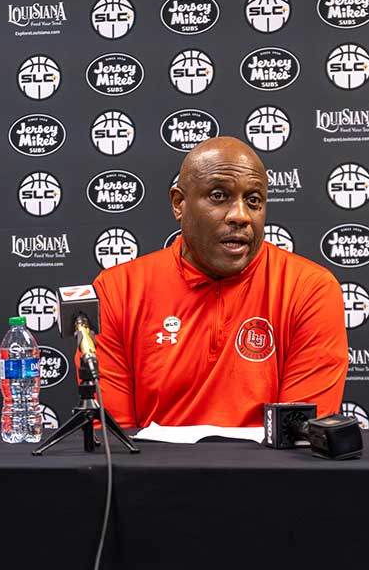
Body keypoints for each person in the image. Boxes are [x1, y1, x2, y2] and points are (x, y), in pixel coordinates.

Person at [91, 136, 348, 428]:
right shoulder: (117, 290)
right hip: (151, 474)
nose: (241, 216)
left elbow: (300, 435)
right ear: (179, 203)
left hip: (269, 474)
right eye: (218, 196)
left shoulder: (309, 289)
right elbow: (113, 440)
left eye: (254, 201)